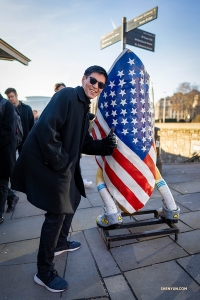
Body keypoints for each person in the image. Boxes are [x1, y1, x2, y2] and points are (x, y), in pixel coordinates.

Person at [11, 65, 118, 293]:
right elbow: (45, 130)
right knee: (56, 214)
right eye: (93, 80)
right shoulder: (68, 94)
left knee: (76, 196)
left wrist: (105, 146)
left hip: (62, 165)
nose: (96, 86)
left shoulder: (82, 107)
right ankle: (44, 271)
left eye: (101, 84)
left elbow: (84, 143)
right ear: (84, 78)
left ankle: (60, 243)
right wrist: (60, 163)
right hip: (48, 163)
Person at [54, 81, 94, 187]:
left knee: (76, 164)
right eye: (60, 90)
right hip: (60, 151)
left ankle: (78, 179)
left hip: (73, 146)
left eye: (64, 89)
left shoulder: (76, 104)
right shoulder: (56, 105)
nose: (64, 92)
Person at [0, 94, 16, 224]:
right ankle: (11, 196)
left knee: (2, 184)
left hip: (4, 154)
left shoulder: (6, 106)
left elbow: (9, 132)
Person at [5, 87, 34, 154]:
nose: (10, 99)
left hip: (25, 140)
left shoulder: (26, 108)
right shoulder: (7, 110)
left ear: (16, 95)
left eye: (12, 96)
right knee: (11, 162)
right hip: (12, 140)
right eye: (8, 97)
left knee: (25, 161)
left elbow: (31, 125)